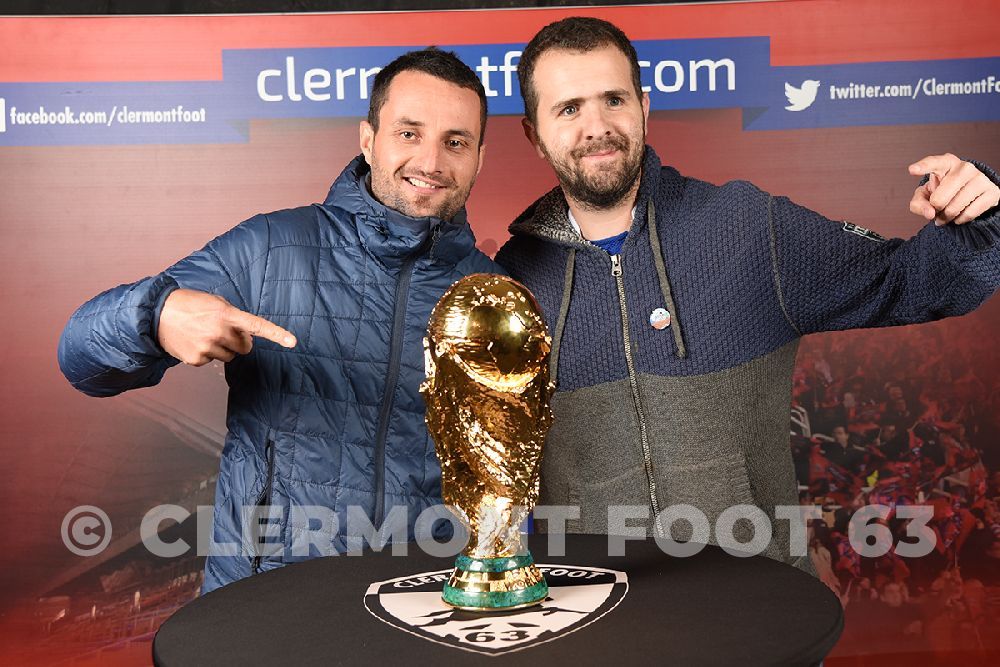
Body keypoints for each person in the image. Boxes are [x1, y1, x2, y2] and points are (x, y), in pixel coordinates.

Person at [495, 17, 1000, 574]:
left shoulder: (747, 228)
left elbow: (908, 283)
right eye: (569, 109)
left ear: (643, 107)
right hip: (599, 608)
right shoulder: (509, 284)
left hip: (760, 603)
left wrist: (976, 214)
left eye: (613, 100)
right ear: (534, 135)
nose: (597, 126)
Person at [57, 48, 501, 593]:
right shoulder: (269, 248)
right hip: (264, 600)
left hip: (424, 601)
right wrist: (154, 316)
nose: (430, 161)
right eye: (409, 133)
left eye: (455, 142)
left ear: (479, 158)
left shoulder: (495, 295)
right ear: (368, 140)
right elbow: (80, 359)